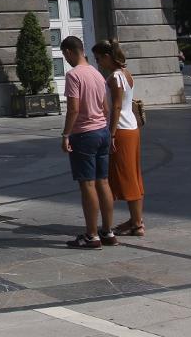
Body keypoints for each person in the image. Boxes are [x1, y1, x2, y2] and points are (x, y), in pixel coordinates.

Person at [59, 35, 114, 249]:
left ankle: (92, 235)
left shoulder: (74, 75)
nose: (66, 59)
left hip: (83, 134)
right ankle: (108, 231)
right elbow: (105, 107)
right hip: (102, 131)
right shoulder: (97, 73)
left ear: (69, 52)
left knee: (88, 185)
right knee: (103, 181)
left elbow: (73, 108)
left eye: (65, 55)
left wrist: (65, 135)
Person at [93, 39, 144, 237]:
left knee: (126, 176)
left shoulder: (115, 77)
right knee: (133, 174)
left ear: (107, 57)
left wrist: (111, 133)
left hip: (121, 129)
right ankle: (135, 220)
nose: (98, 63)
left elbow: (115, 107)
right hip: (132, 128)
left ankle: (137, 223)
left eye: (99, 59)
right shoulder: (126, 74)